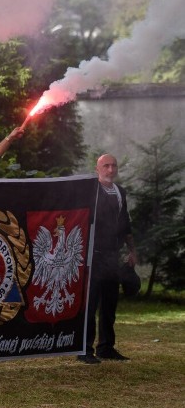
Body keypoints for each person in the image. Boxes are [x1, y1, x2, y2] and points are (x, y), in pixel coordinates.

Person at [78, 153, 137, 364]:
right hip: (92, 256)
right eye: (106, 166)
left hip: (113, 256)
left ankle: (106, 347)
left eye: (114, 166)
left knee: (109, 304)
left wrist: (132, 250)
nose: (110, 170)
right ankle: (84, 349)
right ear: (97, 169)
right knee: (90, 304)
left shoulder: (120, 192)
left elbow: (125, 223)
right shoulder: (90, 191)